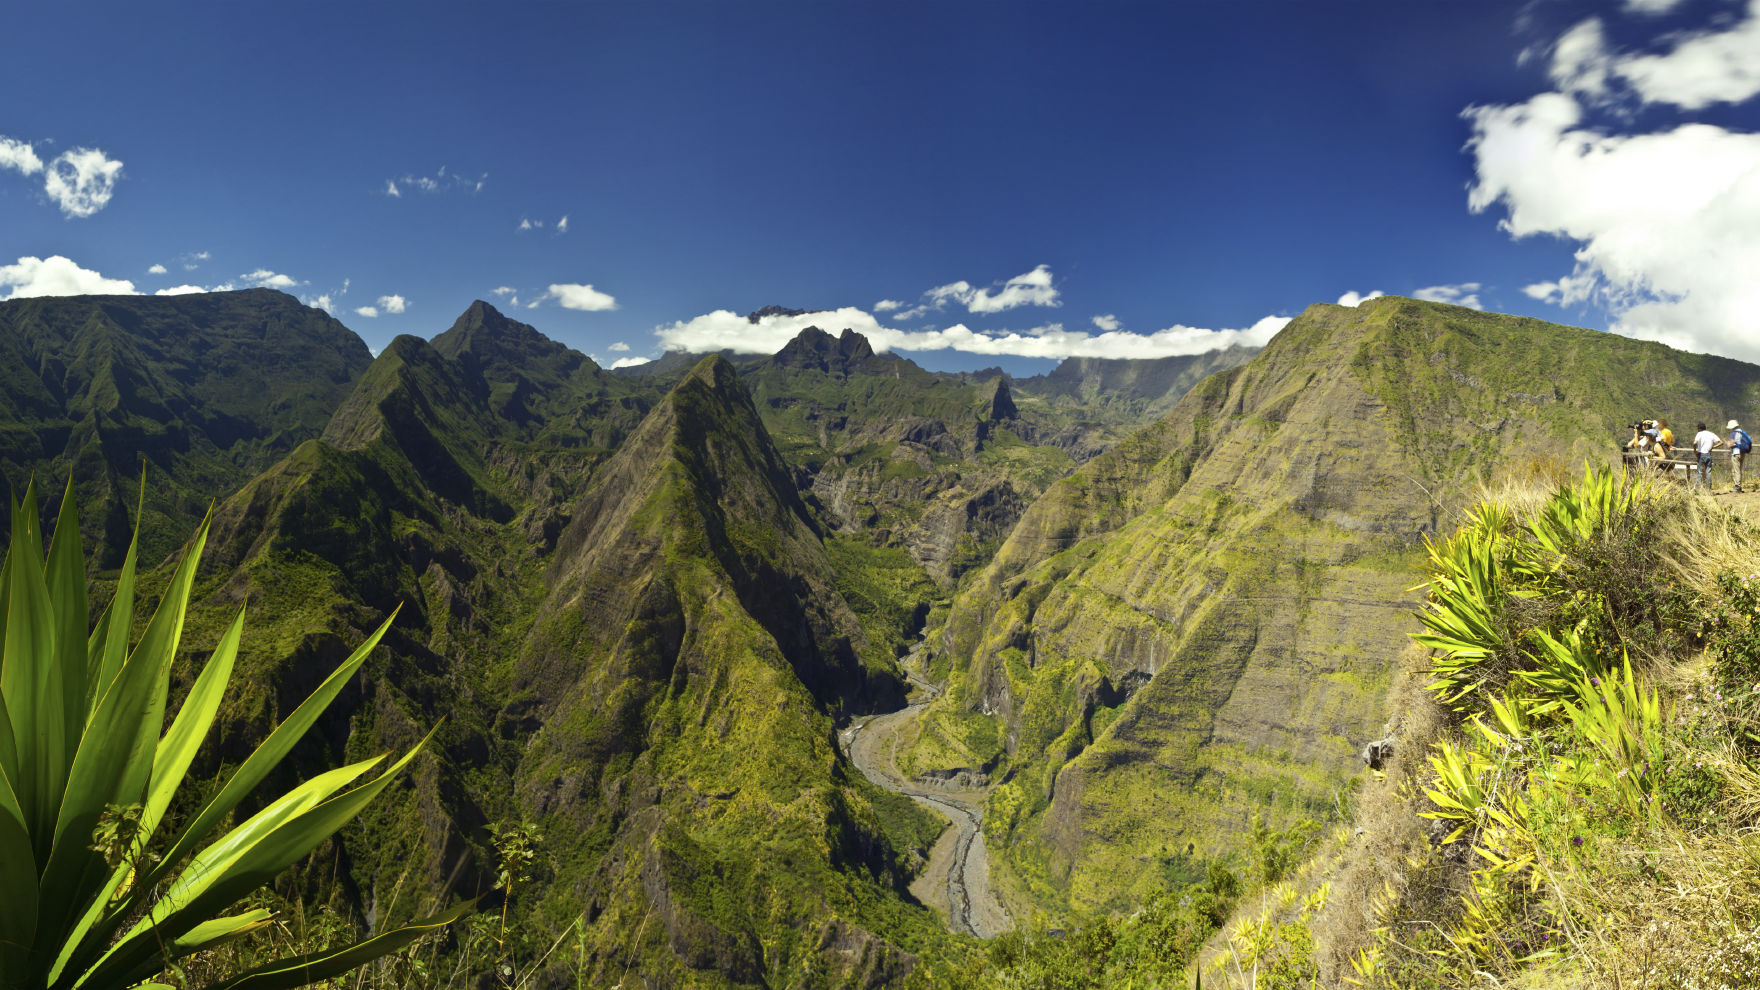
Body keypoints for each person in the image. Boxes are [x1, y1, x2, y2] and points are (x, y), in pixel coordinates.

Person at [1692, 421, 1720, 493]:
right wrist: (1713, 447)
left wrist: (1695, 451)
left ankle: (1697, 490)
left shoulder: (1699, 434)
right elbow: (1721, 442)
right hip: (1708, 455)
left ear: (1699, 429)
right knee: (1708, 472)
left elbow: (1694, 443)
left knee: (1699, 472)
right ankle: (1708, 490)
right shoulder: (1711, 434)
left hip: (1701, 455)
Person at [1730, 419, 1752, 493]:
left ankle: (1737, 487)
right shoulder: (1742, 432)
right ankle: (1738, 486)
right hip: (1742, 453)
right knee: (1739, 469)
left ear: (1732, 427)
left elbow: (1731, 444)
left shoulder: (1733, 433)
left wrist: (1727, 443)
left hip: (1736, 453)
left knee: (1736, 470)